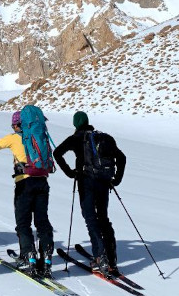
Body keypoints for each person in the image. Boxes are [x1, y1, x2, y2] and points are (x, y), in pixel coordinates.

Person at [0, 107, 55, 277]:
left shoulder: (13, 139)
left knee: (23, 222)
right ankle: (46, 258)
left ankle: (29, 257)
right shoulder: (38, 136)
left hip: (24, 184)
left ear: (17, 125)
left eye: (13, 126)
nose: (13, 128)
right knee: (42, 221)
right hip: (42, 181)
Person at [53, 111, 126, 275]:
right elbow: (122, 157)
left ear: (75, 124)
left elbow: (57, 153)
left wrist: (70, 173)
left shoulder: (76, 138)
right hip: (103, 182)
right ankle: (112, 259)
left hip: (86, 183)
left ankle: (100, 258)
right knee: (103, 218)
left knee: (90, 217)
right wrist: (116, 179)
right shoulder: (102, 138)